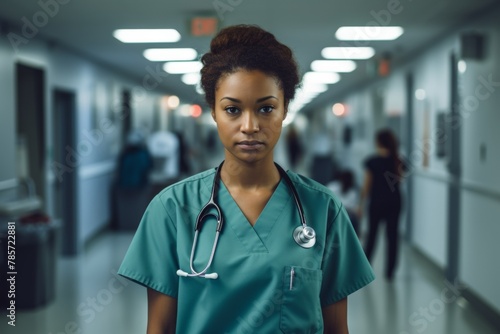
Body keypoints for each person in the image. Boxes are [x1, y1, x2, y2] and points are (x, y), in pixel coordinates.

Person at [118, 25, 374, 334]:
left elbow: (337, 329)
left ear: (284, 110)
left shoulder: (323, 209)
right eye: (232, 109)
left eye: (266, 108)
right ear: (214, 111)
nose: (250, 125)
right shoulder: (171, 208)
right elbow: (158, 328)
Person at [358, 128, 405, 281]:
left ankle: (364, 269)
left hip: (377, 201)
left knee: (372, 235)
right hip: (394, 201)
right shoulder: (398, 160)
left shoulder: (372, 161)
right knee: (392, 236)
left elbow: (366, 185)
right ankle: (390, 272)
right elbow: (400, 179)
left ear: (378, 142)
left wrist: (360, 204)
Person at [327, 169, 360, 236]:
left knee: (353, 220)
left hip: (345, 213)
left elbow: (353, 208)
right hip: (332, 211)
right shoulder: (333, 186)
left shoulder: (352, 191)